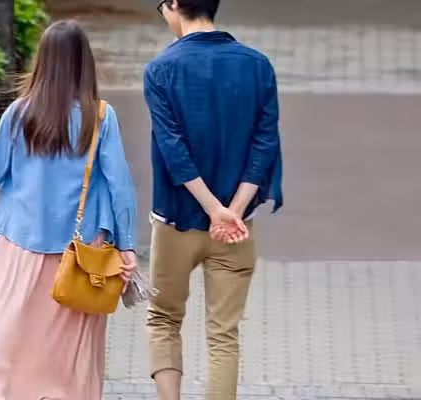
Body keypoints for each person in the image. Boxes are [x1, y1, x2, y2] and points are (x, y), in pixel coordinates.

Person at [0, 20, 138, 400]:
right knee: (70, 356)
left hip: (20, 249)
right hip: (82, 257)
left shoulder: (20, 113)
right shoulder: (100, 117)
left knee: (1, 340)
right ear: (84, 63)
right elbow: (120, 186)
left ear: (43, 61)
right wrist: (126, 245)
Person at [144, 1, 283, 399]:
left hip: (175, 221)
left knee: (164, 319)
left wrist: (212, 209)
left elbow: (173, 150)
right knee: (224, 334)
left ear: (174, 4)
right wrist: (232, 211)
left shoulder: (160, 69)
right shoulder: (257, 66)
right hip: (236, 229)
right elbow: (265, 143)